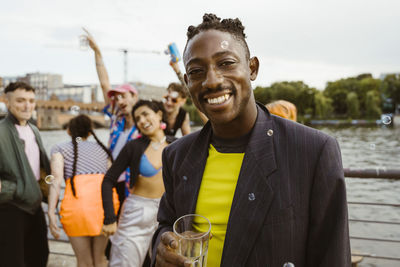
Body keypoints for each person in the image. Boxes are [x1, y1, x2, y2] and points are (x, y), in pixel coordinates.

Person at [152, 14, 351, 267]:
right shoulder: (177, 155)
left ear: (252, 68)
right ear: (188, 82)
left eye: (225, 63)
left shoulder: (313, 151)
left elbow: (332, 256)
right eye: (196, 71)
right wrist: (162, 245)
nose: (212, 80)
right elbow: (166, 224)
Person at [102, 100, 175, 267]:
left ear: (159, 114)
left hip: (168, 214)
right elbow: (108, 180)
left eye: (145, 114)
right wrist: (109, 218)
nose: (142, 120)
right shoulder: (133, 146)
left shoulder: (177, 144)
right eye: (138, 118)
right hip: (137, 213)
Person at [47, 115, 119, 267]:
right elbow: (111, 179)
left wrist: (51, 211)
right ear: (90, 131)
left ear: (69, 131)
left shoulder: (60, 148)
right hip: (103, 208)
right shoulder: (103, 149)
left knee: (84, 262)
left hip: (77, 208)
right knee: (100, 259)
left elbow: (56, 178)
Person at [84, 29, 140, 207]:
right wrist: (97, 53)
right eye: (116, 97)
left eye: (124, 96)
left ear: (134, 97)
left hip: (133, 183)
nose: (119, 100)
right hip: (112, 177)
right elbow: (104, 83)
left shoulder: (144, 123)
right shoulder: (117, 118)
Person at [0, 82, 50, 267]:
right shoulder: (1, 131)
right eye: (20, 101)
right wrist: (9, 189)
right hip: (10, 207)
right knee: (12, 261)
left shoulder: (34, 130)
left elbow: (40, 168)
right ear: (7, 102)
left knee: (39, 256)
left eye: (31, 100)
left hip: (34, 205)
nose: (27, 105)